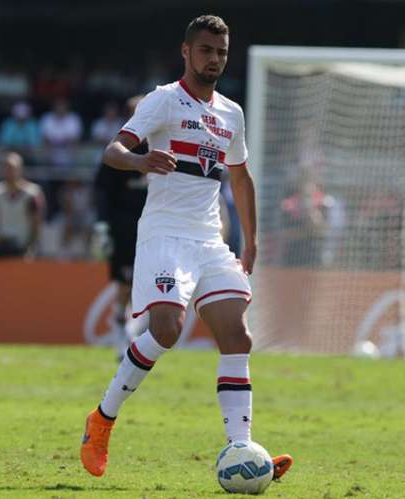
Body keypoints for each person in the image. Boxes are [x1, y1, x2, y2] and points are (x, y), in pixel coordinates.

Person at [80, 15, 293, 481]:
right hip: (165, 234)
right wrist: (139, 161)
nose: (213, 58)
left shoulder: (231, 114)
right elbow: (112, 151)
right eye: (205, 50)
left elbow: (240, 177)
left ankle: (241, 450)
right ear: (186, 52)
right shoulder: (163, 100)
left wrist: (250, 240)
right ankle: (102, 420)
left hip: (209, 239)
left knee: (237, 336)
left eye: (220, 51)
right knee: (168, 329)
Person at [93, 95, 149, 358]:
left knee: (150, 284)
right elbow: (102, 190)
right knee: (125, 283)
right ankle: (121, 336)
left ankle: (136, 335)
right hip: (125, 227)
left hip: (155, 228)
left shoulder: (166, 144)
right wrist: (103, 225)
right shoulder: (118, 150)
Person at [0, 152, 45, 258]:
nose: (8, 172)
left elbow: (37, 222)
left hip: (23, 247)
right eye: (6, 168)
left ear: (20, 169)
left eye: (11, 168)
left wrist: (33, 246)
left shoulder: (32, 193)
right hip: (1, 247)